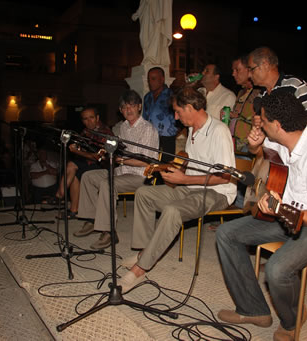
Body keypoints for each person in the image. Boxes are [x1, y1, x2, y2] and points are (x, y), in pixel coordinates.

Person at [216, 91, 307, 341]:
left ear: (277, 125)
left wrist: (278, 208)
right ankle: (253, 309)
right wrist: (255, 145)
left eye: (263, 121)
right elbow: (264, 155)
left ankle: (291, 321)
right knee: (226, 234)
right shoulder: (284, 137)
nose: (259, 123)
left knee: (277, 268)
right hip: (286, 215)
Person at [118, 86, 237, 293]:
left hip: (218, 192)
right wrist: (172, 170)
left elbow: (225, 176)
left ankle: (140, 269)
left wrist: (184, 178)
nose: (175, 116)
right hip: (191, 185)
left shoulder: (219, 131)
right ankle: (145, 252)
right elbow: (190, 163)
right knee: (144, 193)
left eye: (178, 111)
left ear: (190, 108)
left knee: (173, 211)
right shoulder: (192, 129)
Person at [75, 90, 159, 250]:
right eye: (124, 107)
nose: (128, 110)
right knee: (88, 176)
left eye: (132, 106)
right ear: (120, 110)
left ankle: (109, 232)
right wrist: (108, 154)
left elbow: (145, 161)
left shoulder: (148, 129)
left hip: (141, 175)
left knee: (108, 184)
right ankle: (93, 220)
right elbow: (117, 152)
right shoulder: (123, 128)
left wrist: (122, 160)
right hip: (122, 171)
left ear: (139, 107)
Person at [55, 107, 113, 219]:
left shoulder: (105, 132)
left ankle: (59, 195)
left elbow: (98, 157)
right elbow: (83, 151)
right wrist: (76, 148)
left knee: (72, 165)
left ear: (97, 118)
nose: (89, 121)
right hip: (89, 163)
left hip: (103, 167)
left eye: (91, 118)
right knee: (74, 173)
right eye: (85, 119)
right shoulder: (86, 131)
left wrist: (77, 151)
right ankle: (73, 209)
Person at [248, 46, 307, 127]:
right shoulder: (261, 95)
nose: (249, 75)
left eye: (251, 69)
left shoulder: (294, 85)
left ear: (265, 64)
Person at [143, 67, 178, 162]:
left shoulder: (172, 95)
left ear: (162, 79)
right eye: (149, 79)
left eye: (153, 79)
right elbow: (144, 118)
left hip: (167, 139)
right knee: (150, 165)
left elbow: (179, 117)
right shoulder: (147, 97)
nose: (150, 82)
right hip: (150, 138)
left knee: (164, 168)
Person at [230, 55, 262, 153]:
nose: (233, 74)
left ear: (249, 70)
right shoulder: (241, 92)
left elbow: (261, 122)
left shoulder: (259, 92)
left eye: (237, 70)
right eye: (233, 70)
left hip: (248, 148)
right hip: (235, 146)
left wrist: (239, 118)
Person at [131, 0, 172, 65]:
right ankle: (148, 56)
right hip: (146, 11)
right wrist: (138, 12)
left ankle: (151, 58)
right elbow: (143, 2)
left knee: (154, 34)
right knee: (144, 37)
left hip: (157, 12)